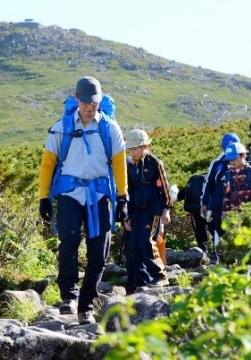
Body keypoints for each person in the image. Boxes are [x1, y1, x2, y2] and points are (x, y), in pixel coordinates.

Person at [38, 76, 127, 325]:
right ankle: (69, 296)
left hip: (99, 195)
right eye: (86, 102)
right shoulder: (61, 127)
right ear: (77, 98)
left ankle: (86, 305)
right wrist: (43, 197)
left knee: (99, 252)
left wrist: (123, 197)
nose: (90, 107)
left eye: (94, 102)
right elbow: (48, 164)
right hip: (69, 194)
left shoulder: (110, 128)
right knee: (70, 241)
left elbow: (120, 165)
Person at [123, 129, 172, 294]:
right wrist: (128, 215)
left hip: (154, 210)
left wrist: (166, 209)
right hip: (137, 211)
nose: (132, 152)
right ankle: (142, 280)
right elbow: (130, 191)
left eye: (134, 149)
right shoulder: (130, 166)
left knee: (146, 240)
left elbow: (165, 188)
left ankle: (160, 276)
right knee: (134, 245)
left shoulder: (155, 163)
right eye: (130, 149)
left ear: (145, 146)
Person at [200, 133, 239, 262]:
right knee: (219, 232)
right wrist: (204, 203)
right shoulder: (217, 163)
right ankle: (221, 261)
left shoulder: (247, 161)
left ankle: (238, 263)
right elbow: (209, 183)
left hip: (239, 206)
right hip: (218, 205)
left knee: (237, 232)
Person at [220, 142, 251, 215]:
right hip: (235, 215)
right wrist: (224, 212)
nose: (232, 161)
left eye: (234, 158)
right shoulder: (228, 175)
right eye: (230, 159)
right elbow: (226, 195)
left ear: (243, 155)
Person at [177, 172, 212, 253]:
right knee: (213, 229)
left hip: (195, 208)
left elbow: (182, 193)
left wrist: (175, 197)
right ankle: (218, 251)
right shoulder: (212, 178)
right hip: (208, 207)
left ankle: (203, 250)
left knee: (200, 227)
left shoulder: (194, 179)